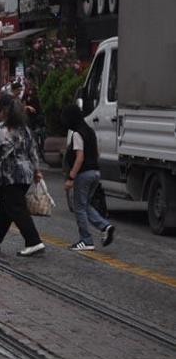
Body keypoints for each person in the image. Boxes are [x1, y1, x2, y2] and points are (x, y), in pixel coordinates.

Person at [0, 95, 45, 257]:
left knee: (17, 209)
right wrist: (37, 171)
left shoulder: (1, 129)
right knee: (5, 209)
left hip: (9, 175)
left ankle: (34, 241)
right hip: (25, 175)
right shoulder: (25, 129)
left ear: (2, 111)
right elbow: (33, 152)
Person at [61, 104, 115, 251]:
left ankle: (86, 240)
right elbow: (97, 154)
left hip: (83, 174)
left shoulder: (78, 134)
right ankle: (105, 226)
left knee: (79, 207)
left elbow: (79, 158)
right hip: (95, 173)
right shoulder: (90, 131)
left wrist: (71, 177)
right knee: (85, 205)